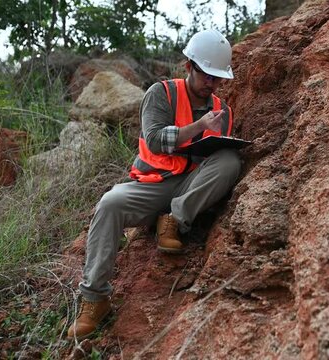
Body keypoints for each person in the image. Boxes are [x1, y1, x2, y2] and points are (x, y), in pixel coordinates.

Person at [66, 29, 242, 340]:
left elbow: (217, 158)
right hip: (153, 184)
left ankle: (173, 220)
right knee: (109, 204)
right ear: (188, 66)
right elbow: (157, 140)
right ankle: (95, 300)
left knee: (229, 160)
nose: (212, 84)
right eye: (206, 75)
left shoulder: (222, 110)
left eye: (218, 78)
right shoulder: (161, 94)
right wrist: (200, 126)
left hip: (191, 187)